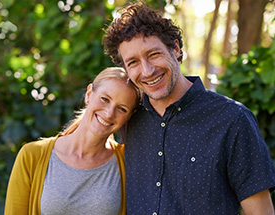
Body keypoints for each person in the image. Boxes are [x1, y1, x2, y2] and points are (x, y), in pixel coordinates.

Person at [102, 2, 275, 214]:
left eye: (153, 54)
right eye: (133, 62)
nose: (147, 71)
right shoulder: (128, 117)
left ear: (175, 48)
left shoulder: (232, 119)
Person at [4, 67, 140, 215]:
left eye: (122, 109)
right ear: (89, 94)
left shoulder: (128, 163)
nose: (109, 113)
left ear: (129, 116)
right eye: (105, 99)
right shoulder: (32, 155)